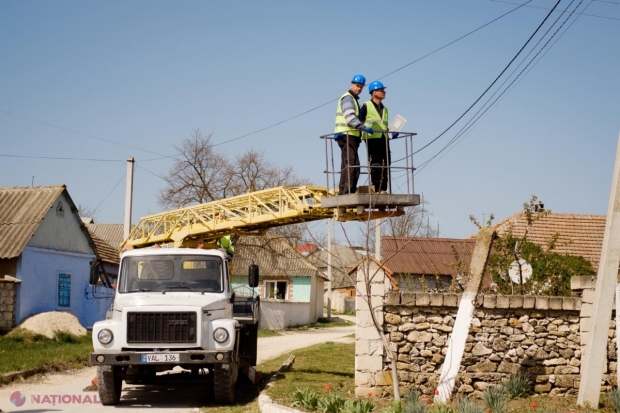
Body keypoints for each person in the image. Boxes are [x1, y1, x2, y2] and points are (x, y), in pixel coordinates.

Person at [334, 74, 374, 195]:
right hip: (347, 135)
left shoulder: (354, 99)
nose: (359, 88)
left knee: (349, 165)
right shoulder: (348, 98)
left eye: (361, 86)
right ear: (351, 85)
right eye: (357, 86)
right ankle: (346, 193)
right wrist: (363, 127)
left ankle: (344, 192)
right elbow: (350, 119)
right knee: (352, 166)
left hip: (350, 136)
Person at [359, 80, 398, 194]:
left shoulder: (385, 109)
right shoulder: (366, 105)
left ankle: (383, 189)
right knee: (375, 163)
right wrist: (364, 128)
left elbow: (383, 125)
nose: (384, 92)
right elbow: (359, 121)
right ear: (374, 92)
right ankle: (376, 188)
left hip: (383, 138)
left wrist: (391, 133)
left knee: (386, 162)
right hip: (371, 138)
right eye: (382, 90)